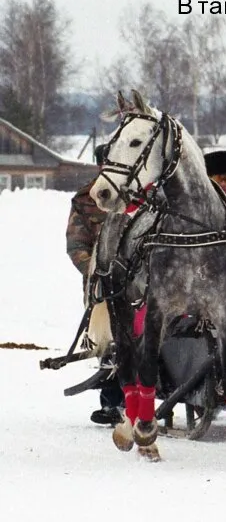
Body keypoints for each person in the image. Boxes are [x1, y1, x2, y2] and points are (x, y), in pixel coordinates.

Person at [65, 144, 125, 425]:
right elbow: (77, 245)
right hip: (104, 284)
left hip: (144, 280)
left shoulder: (142, 195)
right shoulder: (85, 200)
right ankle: (113, 403)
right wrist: (96, 273)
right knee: (109, 343)